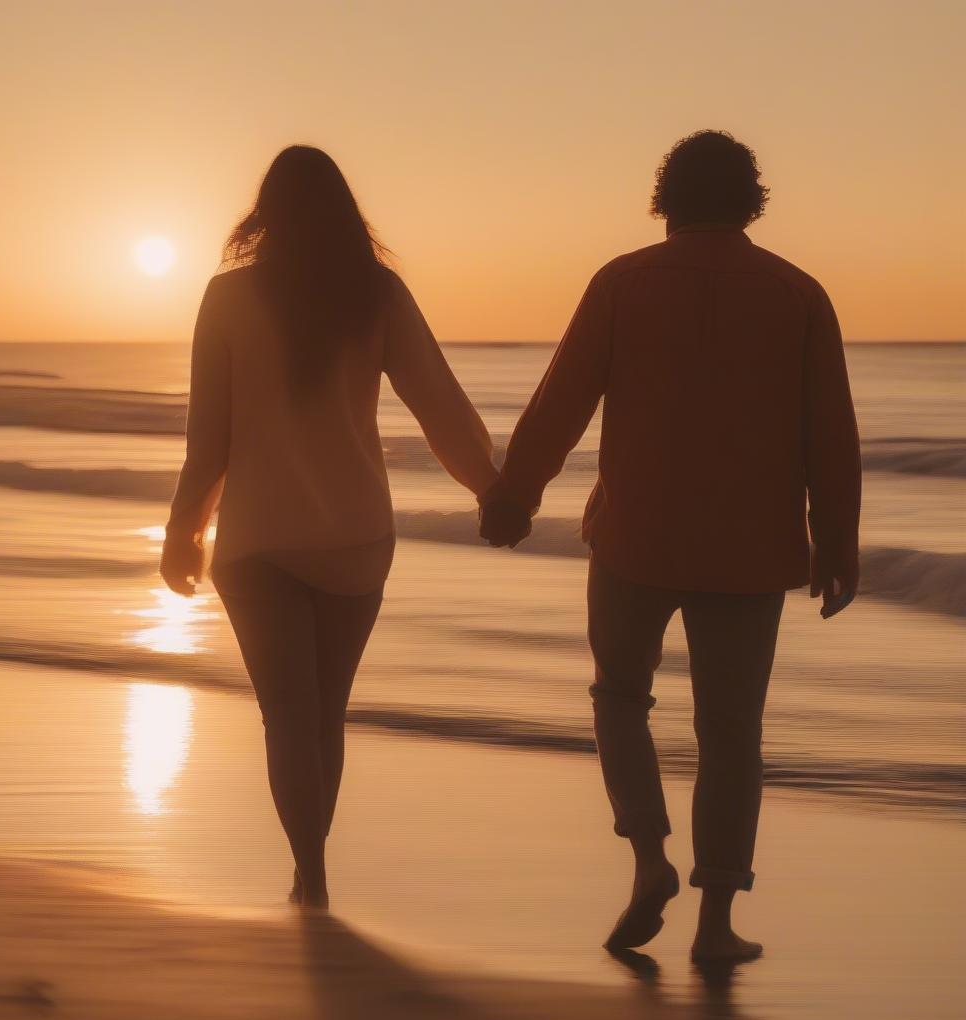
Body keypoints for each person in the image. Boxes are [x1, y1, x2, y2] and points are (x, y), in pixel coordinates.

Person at [480, 130, 861, 962]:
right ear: (750, 199)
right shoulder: (799, 295)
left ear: (668, 199)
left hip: (635, 539)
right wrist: (839, 543)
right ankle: (716, 925)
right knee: (731, 732)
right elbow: (831, 433)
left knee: (620, 697)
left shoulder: (622, 284)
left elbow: (560, 404)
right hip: (752, 550)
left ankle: (651, 858)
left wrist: (515, 496)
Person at [161, 145, 497, 910]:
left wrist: (184, 530)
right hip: (355, 538)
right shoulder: (376, 294)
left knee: (287, 714)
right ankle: (310, 871)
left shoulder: (228, 299)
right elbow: (440, 407)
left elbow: (209, 439)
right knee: (324, 714)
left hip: (257, 543)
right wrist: (494, 491)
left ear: (265, 216)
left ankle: (310, 874)